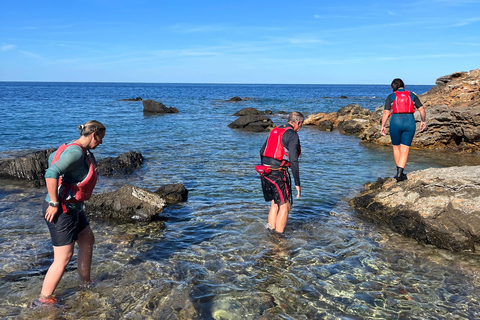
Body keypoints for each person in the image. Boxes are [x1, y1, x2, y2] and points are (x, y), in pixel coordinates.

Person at [33, 120, 106, 307]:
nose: (101, 143)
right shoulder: (74, 152)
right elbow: (51, 172)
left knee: (87, 239)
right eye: (100, 139)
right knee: (64, 257)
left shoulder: (75, 148)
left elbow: (52, 159)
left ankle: (85, 284)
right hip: (62, 210)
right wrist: (54, 202)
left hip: (74, 208)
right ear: (93, 135)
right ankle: (44, 299)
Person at [257, 111, 304, 235]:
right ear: (298, 123)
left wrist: (267, 167)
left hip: (265, 171)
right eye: (301, 125)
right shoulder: (292, 134)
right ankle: (278, 239)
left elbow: (262, 151)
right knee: (285, 206)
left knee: (275, 204)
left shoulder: (276, 130)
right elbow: (293, 159)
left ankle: (270, 232)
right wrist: (297, 183)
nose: (300, 128)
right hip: (278, 173)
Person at [381, 78, 426, 181]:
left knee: (396, 148)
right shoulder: (412, 95)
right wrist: (423, 121)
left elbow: (386, 112)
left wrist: (382, 126)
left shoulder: (391, 97)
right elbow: (422, 110)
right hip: (409, 122)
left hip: (395, 121)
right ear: (403, 85)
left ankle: (398, 174)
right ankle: (401, 173)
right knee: (405, 149)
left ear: (393, 87)